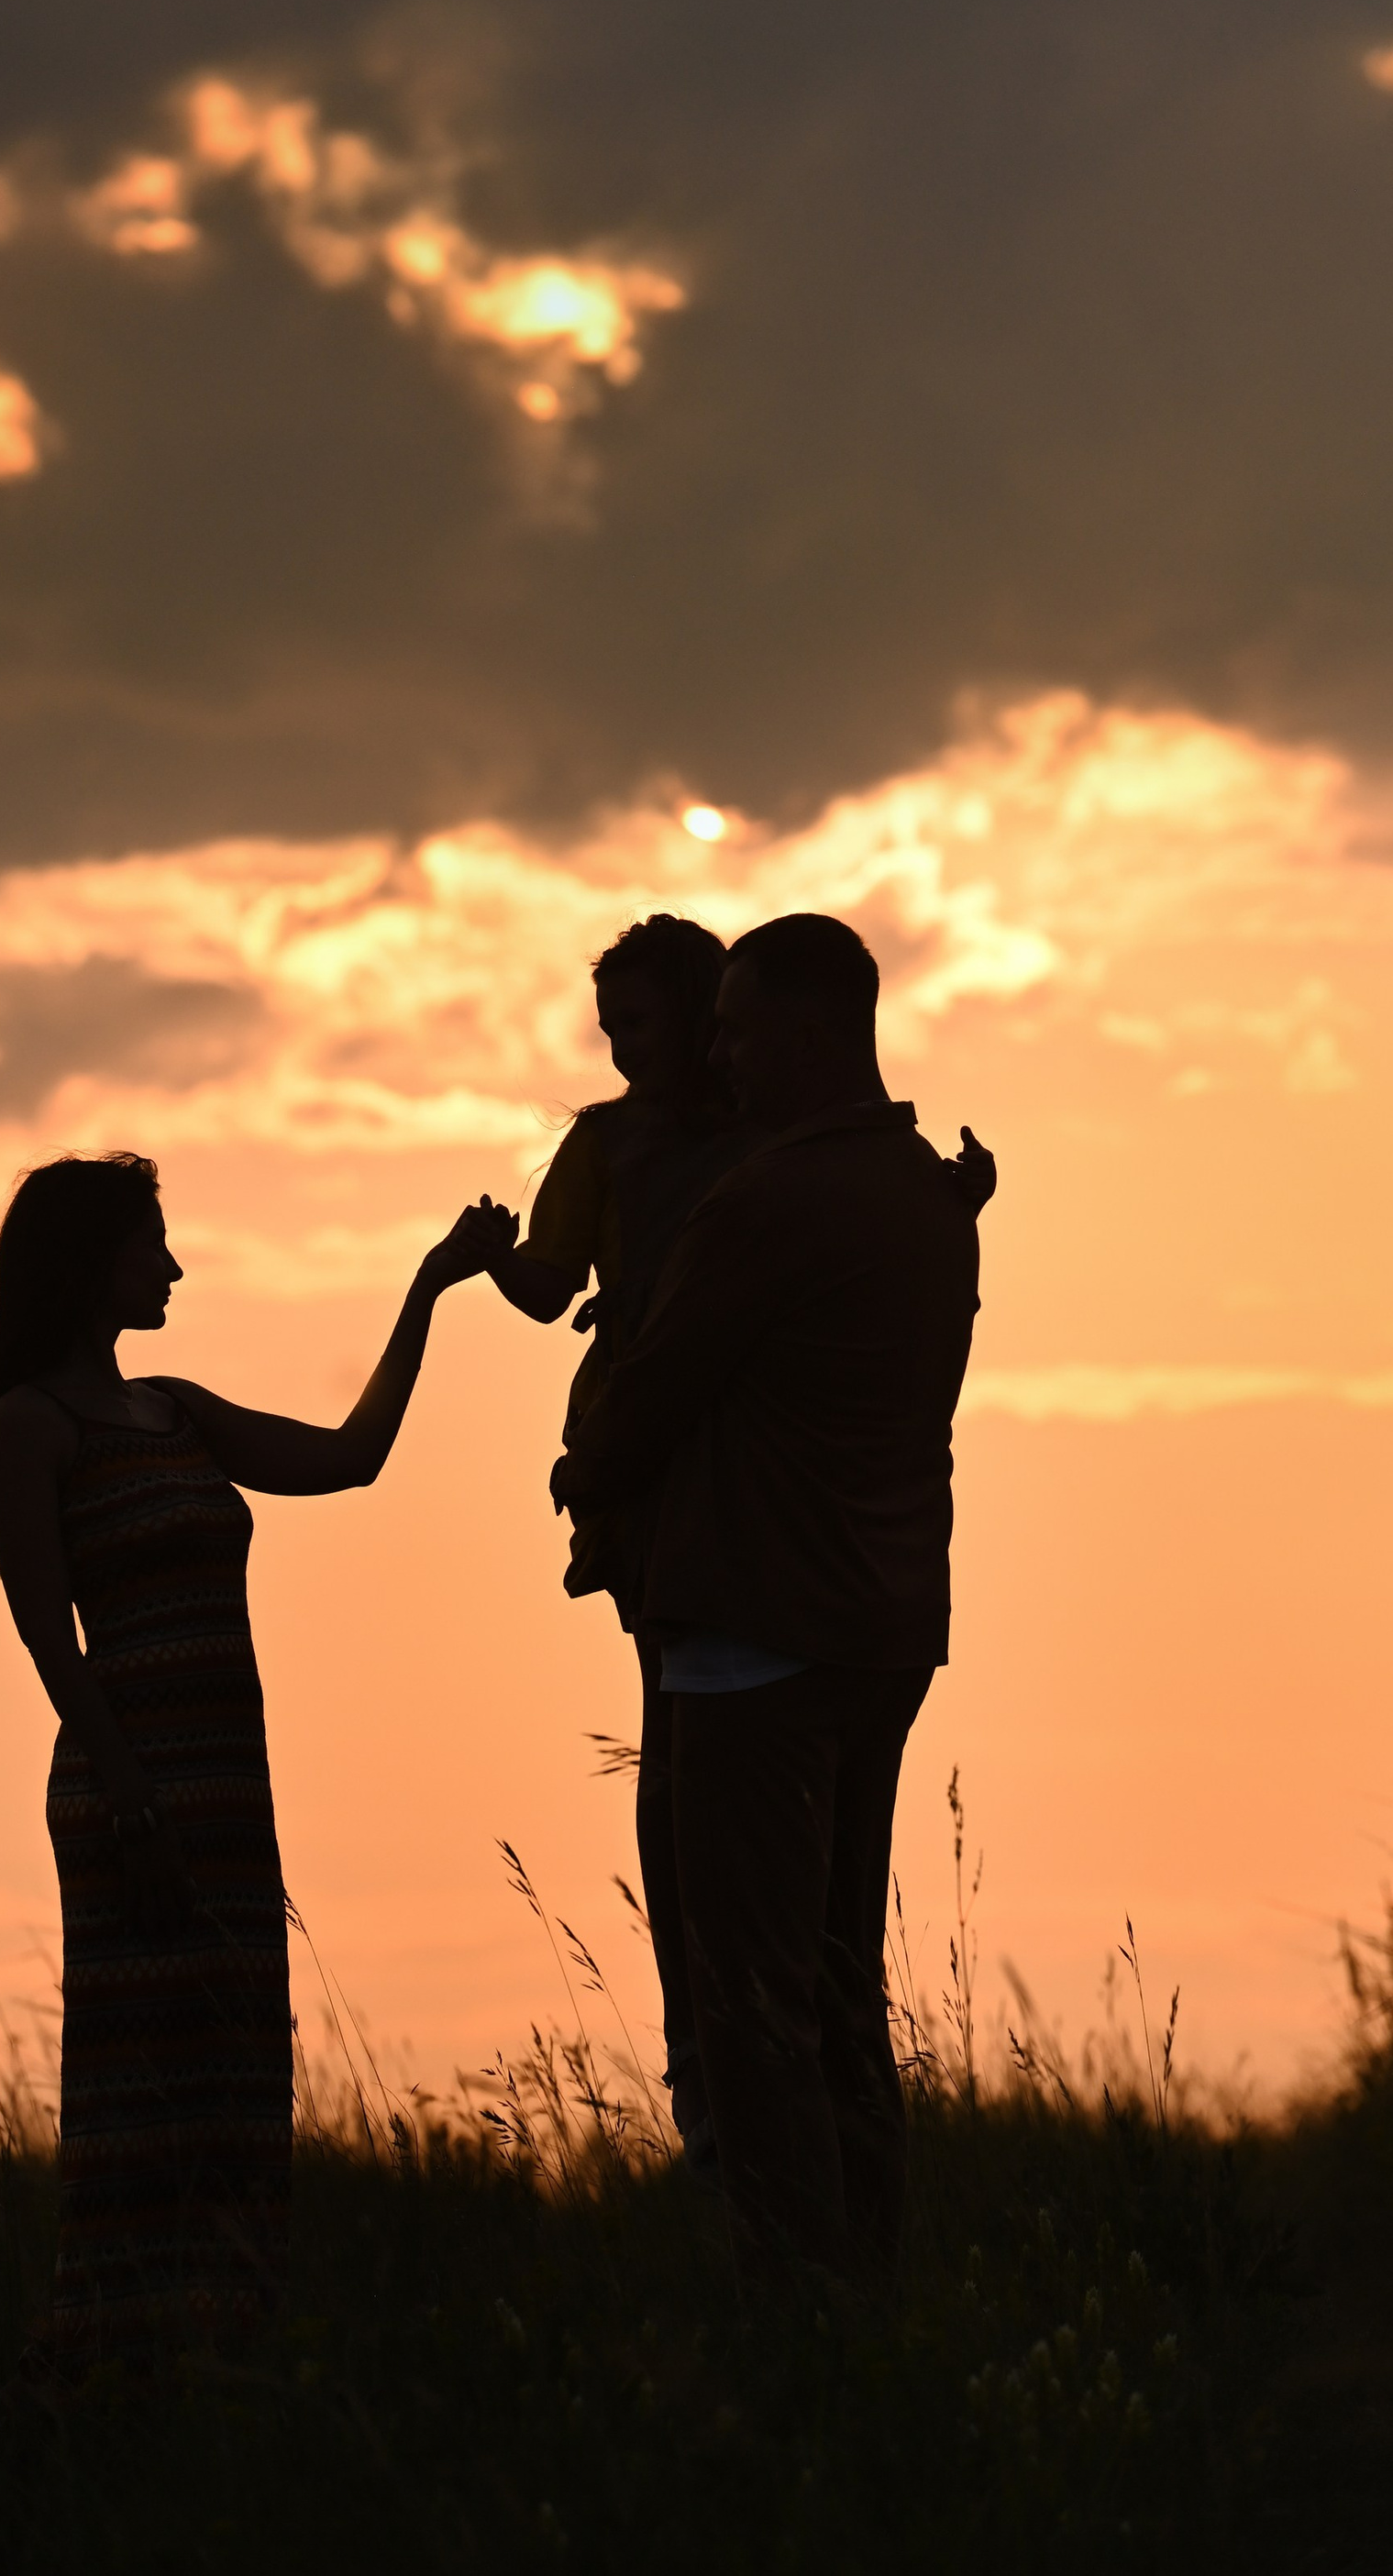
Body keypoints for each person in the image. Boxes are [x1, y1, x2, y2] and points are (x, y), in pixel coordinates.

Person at [0, 1149, 514, 2373]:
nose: (171, 1264)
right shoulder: (32, 1428)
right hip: (137, 1788)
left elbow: (351, 1453)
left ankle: (228, 2346)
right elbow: (50, 1639)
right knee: (141, 2074)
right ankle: (109, 2360)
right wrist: (129, 1792)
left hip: (226, 1787)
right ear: (85, 1262)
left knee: (234, 2065)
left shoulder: (176, 1407)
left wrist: (430, 1287)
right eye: (147, 1243)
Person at [550, 915, 985, 2282]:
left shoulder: (766, 1202)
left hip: (752, 1638)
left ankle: (793, 2299)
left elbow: (649, 1396)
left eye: (736, 1028)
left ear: (803, 1034)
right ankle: (871, 2275)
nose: (718, 1056)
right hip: (888, 1626)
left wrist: (587, 1464)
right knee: (841, 1978)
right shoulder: (924, 1192)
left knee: (747, 1995)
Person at [489, 913, 757, 2164]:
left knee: (721, 1729)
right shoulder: (605, 1144)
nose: (621, 1051)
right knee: (675, 1731)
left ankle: (736, 2036)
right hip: (646, 1455)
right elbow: (549, 1285)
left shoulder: (757, 1130)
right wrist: (494, 1258)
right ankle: (702, 2043)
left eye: (638, 1025)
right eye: (610, 1032)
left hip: (744, 1443)